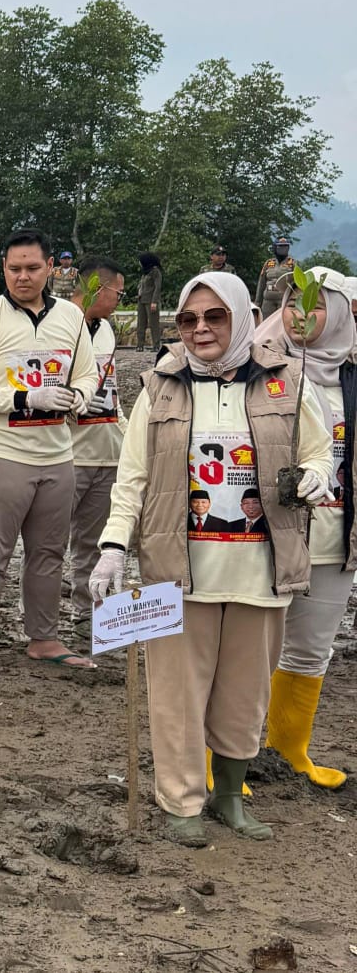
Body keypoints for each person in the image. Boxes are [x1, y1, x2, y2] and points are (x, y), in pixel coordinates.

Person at [92, 270, 332, 845]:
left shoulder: (288, 381)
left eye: (214, 316)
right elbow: (133, 479)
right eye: (189, 319)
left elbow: (320, 451)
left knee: (245, 694)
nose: (200, 329)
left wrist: (316, 477)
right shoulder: (161, 387)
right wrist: (111, 547)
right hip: (178, 571)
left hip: (262, 571)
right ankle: (180, 801)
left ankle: (230, 796)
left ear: (242, 317)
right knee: (177, 693)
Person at [0, 229, 99, 680]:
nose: (23, 276)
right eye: (14, 268)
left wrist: (78, 394)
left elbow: (89, 373)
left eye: (33, 268)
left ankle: (43, 637)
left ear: (51, 268)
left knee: (50, 551)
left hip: (56, 454)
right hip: (0, 452)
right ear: (4, 269)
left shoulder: (71, 318)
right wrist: (24, 399)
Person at [253, 274, 357, 788]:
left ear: (337, 315)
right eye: (292, 303)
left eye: (313, 307)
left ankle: (290, 749)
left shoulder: (352, 378)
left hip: (337, 535)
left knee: (312, 648)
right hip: (273, 534)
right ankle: (226, 757)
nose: (298, 315)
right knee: (249, 648)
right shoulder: (260, 367)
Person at [66, 257, 127, 637]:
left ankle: (86, 614)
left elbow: (113, 390)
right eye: (118, 292)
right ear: (97, 289)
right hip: (69, 453)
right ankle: (39, 621)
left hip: (108, 449)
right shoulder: (59, 326)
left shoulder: (106, 330)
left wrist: (129, 432)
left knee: (93, 542)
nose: (120, 299)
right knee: (48, 543)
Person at [254, 237, 296, 321]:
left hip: (283, 299)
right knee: (266, 323)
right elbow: (261, 284)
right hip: (268, 300)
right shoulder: (269, 263)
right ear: (275, 248)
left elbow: (297, 283)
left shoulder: (292, 263)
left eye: (285, 247)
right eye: (280, 247)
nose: (283, 249)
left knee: (281, 323)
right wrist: (257, 304)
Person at [136, 252, 163, 350]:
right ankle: (140, 344)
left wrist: (154, 301)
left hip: (151, 300)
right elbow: (141, 285)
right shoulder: (145, 272)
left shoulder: (155, 272)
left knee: (153, 323)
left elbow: (157, 287)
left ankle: (156, 345)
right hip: (141, 300)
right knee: (141, 323)